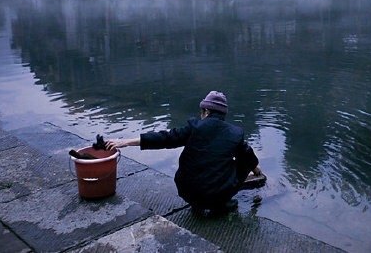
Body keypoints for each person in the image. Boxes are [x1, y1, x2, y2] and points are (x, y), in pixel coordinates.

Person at [106, 90, 262, 214]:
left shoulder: (194, 127)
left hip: (189, 193)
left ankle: (199, 203)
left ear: (206, 111)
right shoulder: (234, 133)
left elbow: (165, 138)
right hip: (218, 195)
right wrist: (256, 171)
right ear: (223, 114)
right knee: (242, 156)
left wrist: (125, 142)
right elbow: (248, 156)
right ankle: (222, 203)